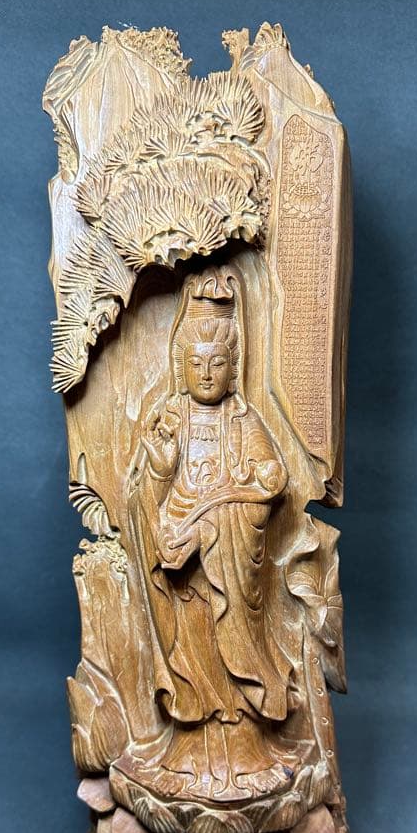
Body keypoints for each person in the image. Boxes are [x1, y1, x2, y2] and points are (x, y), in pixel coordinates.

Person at [128, 266, 296, 799]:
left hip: (227, 564)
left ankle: (244, 746)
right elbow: (141, 493)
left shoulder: (243, 420)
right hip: (180, 569)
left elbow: (273, 478)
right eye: (196, 362)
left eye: (217, 362)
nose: (206, 372)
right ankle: (190, 744)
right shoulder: (172, 417)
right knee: (191, 648)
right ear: (181, 365)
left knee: (230, 645)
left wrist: (219, 517)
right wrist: (160, 471)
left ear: (233, 366)